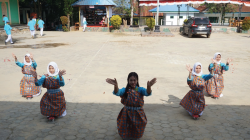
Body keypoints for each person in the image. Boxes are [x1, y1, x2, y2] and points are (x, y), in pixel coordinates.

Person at [106, 72, 157, 139]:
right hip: (126, 113)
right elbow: (117, 92)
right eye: (131, 80)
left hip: (138, 114)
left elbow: (147, 93)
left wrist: (149, 87)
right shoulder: (125, 90)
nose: (133, 82)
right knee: (126, 126)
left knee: (138, 127)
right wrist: (116, 86)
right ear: (128, 80)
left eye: (134, 80)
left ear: (137, 80)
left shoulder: (139, 89)